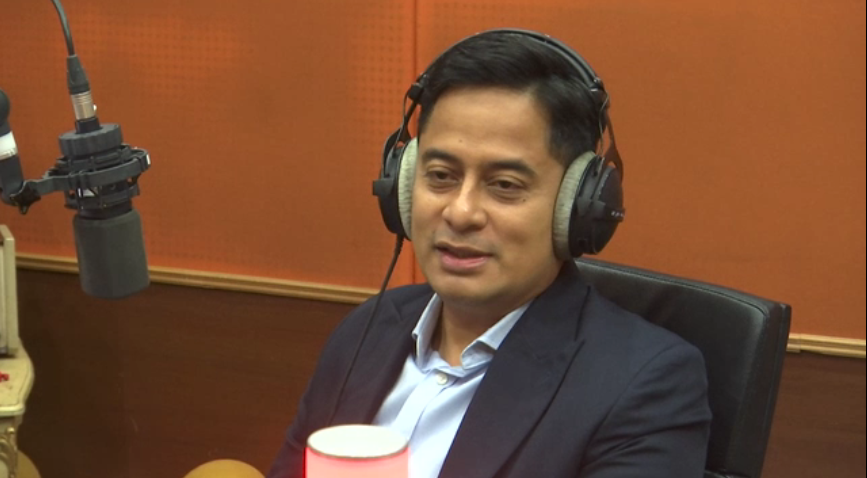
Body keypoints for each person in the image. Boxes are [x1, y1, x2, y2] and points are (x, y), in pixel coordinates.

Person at [267, 29, 711, 478]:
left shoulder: (644, 383)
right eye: (441, 176)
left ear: (575, 207)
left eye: (504, 185)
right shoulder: (368, 330)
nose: (461, 213)